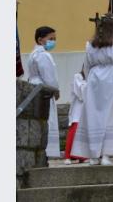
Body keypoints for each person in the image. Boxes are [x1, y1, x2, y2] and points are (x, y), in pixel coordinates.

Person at [71, 15, 113, 165]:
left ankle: (93, 155)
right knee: (111, 116)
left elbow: (86, 67)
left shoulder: (91, 46)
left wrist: (90, 80)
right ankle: (105, 155)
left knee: (93, 116)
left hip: (94, 81)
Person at [27, 26, 60, 159]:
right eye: (50, 39)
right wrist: (55, 89)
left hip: (35, 87)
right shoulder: (44, 55)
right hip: (44, 89)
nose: (53, 42)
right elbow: (49, 76)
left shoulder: (33, 54)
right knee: (48, 118)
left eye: (55, 39)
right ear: (40, 40)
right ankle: (48, 150)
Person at [63, 70, 87, 164]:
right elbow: (81, 94)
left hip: (87, 110)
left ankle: (82, 156)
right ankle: (68, 156)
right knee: (74, 131)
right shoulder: (77, 76)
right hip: (78, 109)